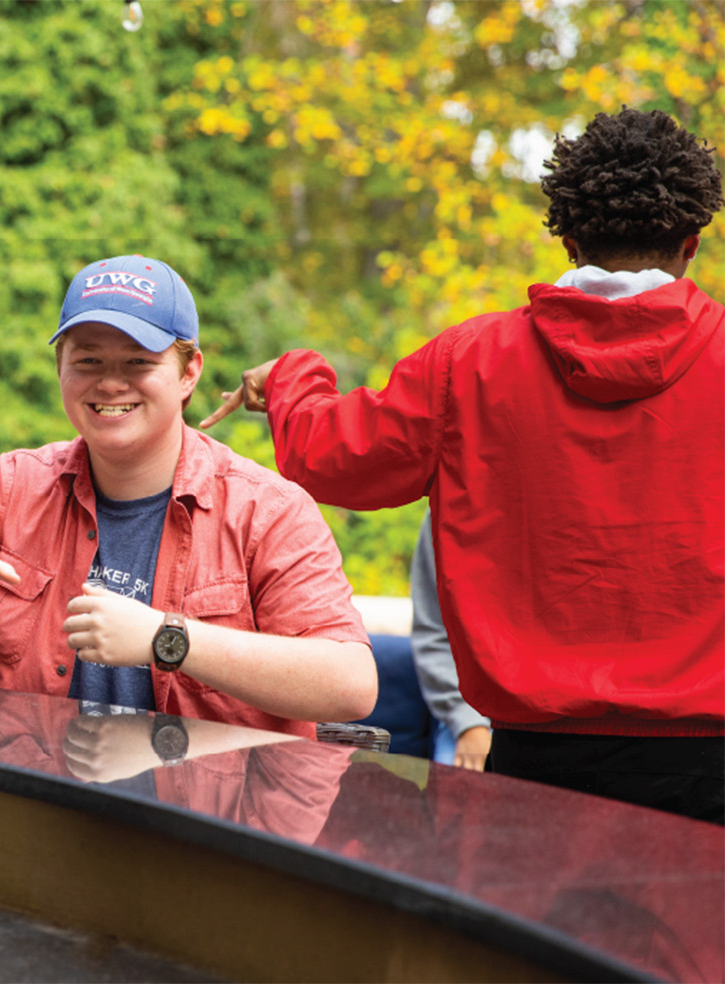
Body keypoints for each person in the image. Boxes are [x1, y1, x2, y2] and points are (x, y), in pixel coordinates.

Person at [206, 109, 723, 821]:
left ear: (570, 242)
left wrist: (291, 379)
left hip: (531, 765)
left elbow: (333, 456)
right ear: (691, 245)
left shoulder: (469, 365)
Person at [0, 255, 376, 736]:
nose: (110, 384)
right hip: (39, 810)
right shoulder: (12, 484)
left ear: (188, 372)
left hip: (208, 827)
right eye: (87, 361)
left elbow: (350, 683)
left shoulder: (268, 510)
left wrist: (166, 639)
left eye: (137, 363)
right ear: (60, 367)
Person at [409, 512, 490, 771]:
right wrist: (469, 723)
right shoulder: (447, 512)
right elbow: (433, 634)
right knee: (456, 802)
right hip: (470, 712)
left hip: (561, 723)